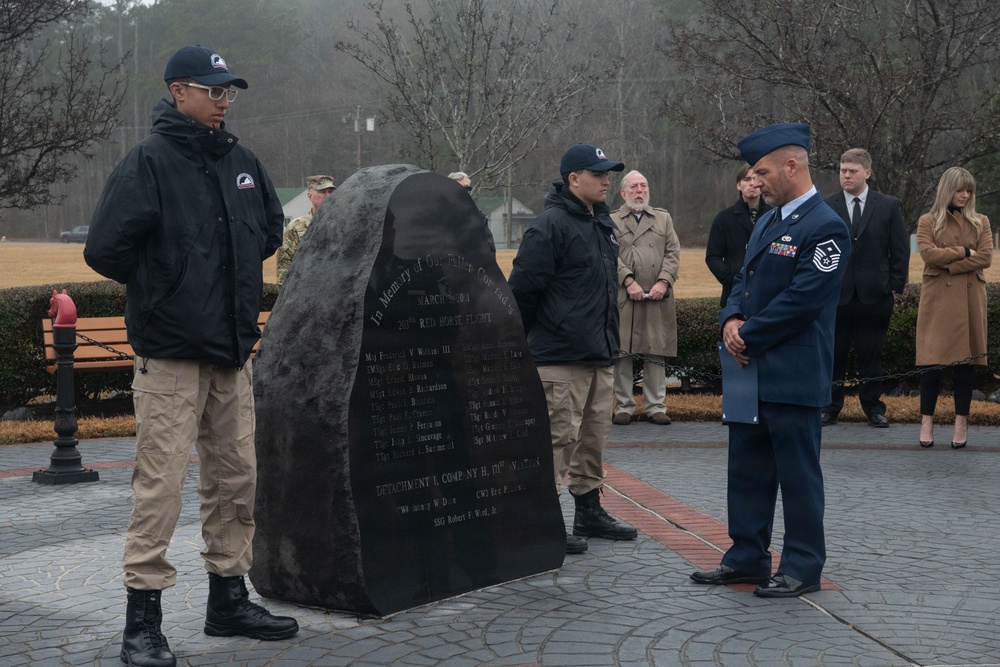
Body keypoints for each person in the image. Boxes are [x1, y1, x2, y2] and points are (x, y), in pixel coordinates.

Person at [85, 45, 298, 667]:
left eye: (228, 89)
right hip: (171, 352)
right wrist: (170, 284)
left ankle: (228, 601)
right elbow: (105, 249)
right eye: (212, 89)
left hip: (231, 350)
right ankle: (142, 623)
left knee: (236, 478)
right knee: (161, 485)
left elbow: (268, 229)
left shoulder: (242, 161)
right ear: (178, 91)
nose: (223, 99)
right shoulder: (149, 161)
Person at [689, 122, 851, 598]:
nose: (755, 181)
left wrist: (748, 335)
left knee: (799, 478)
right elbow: (742, 278)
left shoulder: (826, 226)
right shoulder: (768, 221)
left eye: (762, 172)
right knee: (747, 471)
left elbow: (804, 299)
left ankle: (802, 566)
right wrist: (730, 318)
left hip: (793, 374)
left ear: (791, 166)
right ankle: (746, 557)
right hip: (752, 373)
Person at [509, 143, 638, 556]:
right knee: (556, 441)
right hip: (559, 357)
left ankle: (589, 511)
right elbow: (522, 292)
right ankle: (539, 522)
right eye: (597, 174)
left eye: (608, 174)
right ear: (573, 179)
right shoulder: (549, 226)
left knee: (592, 440)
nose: (606, 180)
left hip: (599, 353)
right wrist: (522, 348)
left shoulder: (602, 223)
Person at [821, 149, 909, 427]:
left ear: (867, 173)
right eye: (843, 170)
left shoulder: (888, 205)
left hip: (875, 296)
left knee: (871, 357)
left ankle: (873, 408)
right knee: (833, 356)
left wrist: (894, 286)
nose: (846, 175)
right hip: (836, 297)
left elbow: (899, 249)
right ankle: (830, 407)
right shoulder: (826, 205)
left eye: (852, 171)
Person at [915, 166, 992, 449]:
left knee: (965, 366)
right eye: (959, 190)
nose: (965, 195)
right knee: (931, 363)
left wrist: (950, 264)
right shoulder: (928, 220)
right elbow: (928, 254)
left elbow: (985, 258)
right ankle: (926, 421)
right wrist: (964, 251)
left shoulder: (981, 221)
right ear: (947, 190)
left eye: (969, 190)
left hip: (970, 298)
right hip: (938, 299)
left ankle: (961, 423)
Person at [611, 170, 680, 426]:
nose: (639, 191)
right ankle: (624, 406)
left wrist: (664, 281)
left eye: (643, 186)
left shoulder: (663, 218)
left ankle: (656, 406)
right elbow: (609, 255)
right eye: (634, 187)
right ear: (623, 193)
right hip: (625, 295)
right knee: (622, 352)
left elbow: (673, 252)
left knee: (655, 350)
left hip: (656, 296)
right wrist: (628, 281)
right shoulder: (611, 221)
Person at [705, 163, 772, 307]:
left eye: (755, 179)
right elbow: (712, 257)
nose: (752, 184)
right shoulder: (724, 218)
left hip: (767, 295)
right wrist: (731, 279)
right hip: (733, 296)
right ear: (738, 185)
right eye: (747, 179)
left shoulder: (775, 216)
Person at [276, 174, 336, 286]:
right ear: (309, 196)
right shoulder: (296, 228)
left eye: (330, 191)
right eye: (322, 192)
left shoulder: (343, 223)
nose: (328, 196)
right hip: (305, 290)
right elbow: (285, 269)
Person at [448, 170, 496, 254]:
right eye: (458, 188)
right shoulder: (435, 215)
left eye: (467, 188)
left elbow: (489, 249)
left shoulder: (478, 217)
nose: (463, 191)